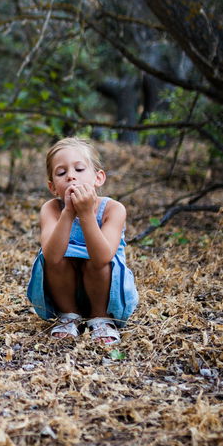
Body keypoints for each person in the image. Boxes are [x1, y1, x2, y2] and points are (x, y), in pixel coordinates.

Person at [26, 137, 138, 343]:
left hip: (104, 290)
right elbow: (51, 256)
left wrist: (86, 214)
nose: (71, 177)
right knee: (55, 260)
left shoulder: (113, 209)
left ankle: (100, 318)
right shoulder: (51, 209)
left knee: (98, 263)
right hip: (66, 290)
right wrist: (68, 213)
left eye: (79, 169)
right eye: (61, 173)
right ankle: (69, 316)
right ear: (53, 187)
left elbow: (102, 257)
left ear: (98, 177)